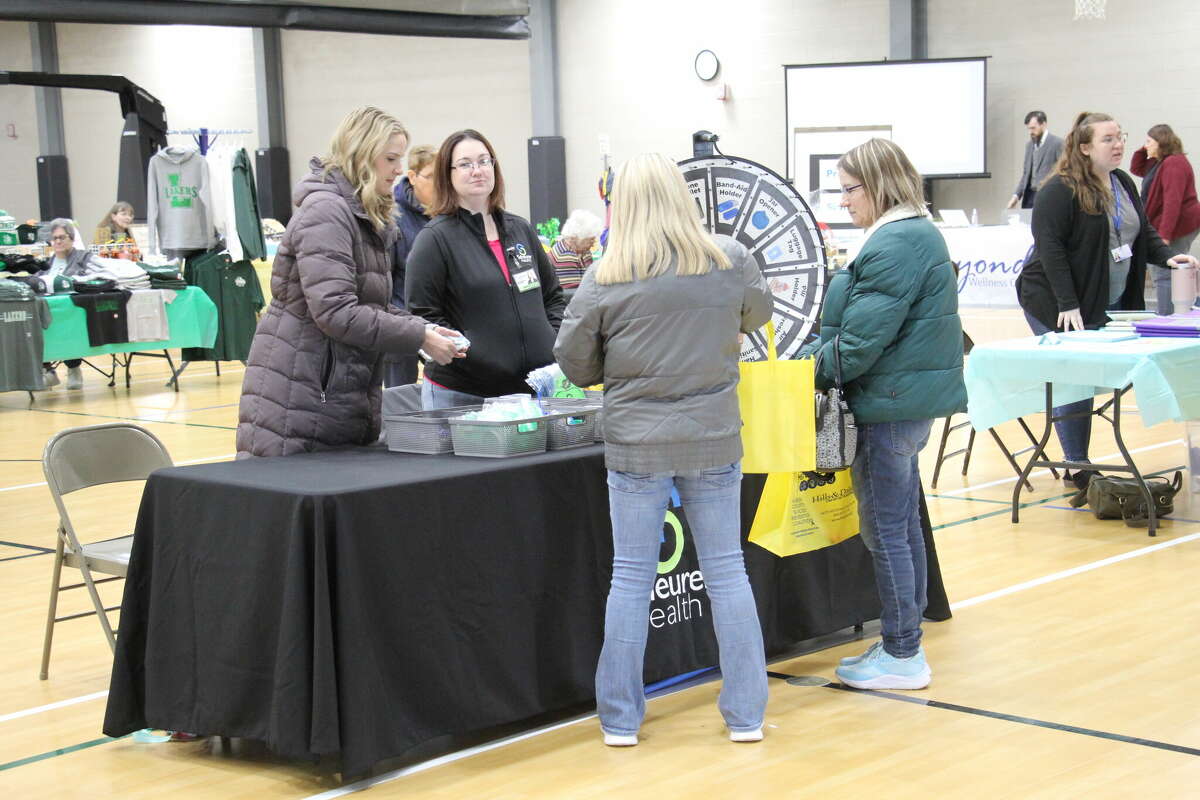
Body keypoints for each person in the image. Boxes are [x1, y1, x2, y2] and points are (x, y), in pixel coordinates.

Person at [554, 152, 772, 746]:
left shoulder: (607, 275)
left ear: (620, 204)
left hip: (634, 445)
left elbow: (573, 361)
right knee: (728, 573)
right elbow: (758, 312)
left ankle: (621, 719)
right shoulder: (730, 259)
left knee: (630, 577)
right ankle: (747, 715)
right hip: (714, 436)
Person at [802, 138, 965, 691]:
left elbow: (860, 342)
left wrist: (809, 371)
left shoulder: (893, 244)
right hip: (902, 404)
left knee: (887, 530)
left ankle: (903, 653)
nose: (844, 202)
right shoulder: (913, 234)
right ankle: (904, 636)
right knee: (902, 525)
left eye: (849, 189)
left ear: (878, 185)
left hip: (885, 406)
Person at [236, 107, 463, 458]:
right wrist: (418, 336)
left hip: (332, 397)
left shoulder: (363, 215)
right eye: (390, 159)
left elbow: (370, 306)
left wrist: (425, 329)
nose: (399, 170)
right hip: (300, 399)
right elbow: (335, 311)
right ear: (362, 154)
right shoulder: (326, 212)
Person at [1016, 112, 1200, 487]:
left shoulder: (1121, 182)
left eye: (1120, 137)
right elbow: (1050, 250)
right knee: (1074, 376)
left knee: (1090, 377)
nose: (1118, 145)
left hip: (1103, 298)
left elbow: (1142, 231)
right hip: (1053, 298)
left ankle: (1078, 459)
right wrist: (1068, 304)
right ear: (1084, 148)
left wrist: (1167, 255)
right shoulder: (1059, 190)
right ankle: (1076, 464)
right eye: (1108, 139)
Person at [406, 129, 566, 409]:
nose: (477, 170)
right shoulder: (435, 239)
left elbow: (552, 296)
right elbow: (422, 313)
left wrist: (549, 339)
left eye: (484, 161)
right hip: (463, 394)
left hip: (530, 392)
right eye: (465, 164)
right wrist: (471, 353)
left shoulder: (520, 230)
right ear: (448, 174)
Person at [1130, 124, 1200, 314]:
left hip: (1177, 225)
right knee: (1166, 272)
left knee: (1164, 272)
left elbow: (1173, 201)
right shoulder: (1159, 162)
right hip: (1164, 223)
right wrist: (1144, 149)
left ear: (1161, 143)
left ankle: (1167, 317)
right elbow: (1136, 168)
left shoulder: (1174, 163)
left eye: (1149, 142)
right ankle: (1172, 313)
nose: (1146, 146)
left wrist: (1165, 236)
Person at [384, 144, 437, 388]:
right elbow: (384, 279)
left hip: (437, 322)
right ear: (413, 176)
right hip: (400, 324)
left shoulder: (446, 213)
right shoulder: (392, 217)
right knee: (400, 400)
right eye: (431, 177)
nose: (439, 184)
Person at [38, 218, 98, 390]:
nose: (57, 241)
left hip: (72, 308)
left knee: (67, 324)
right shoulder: (46, 263)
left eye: (62, 237)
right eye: (54, 238)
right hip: (47, 307)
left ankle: (73, 368)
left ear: (71, 238)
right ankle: (47, 370)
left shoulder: (82, 258)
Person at [1008, 111, 1065, 210]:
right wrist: (1016, 196)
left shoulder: (1057, 144)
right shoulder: (1029, 146)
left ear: (1043, 124)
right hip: (1029, 197)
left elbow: (1064, 171)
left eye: (1033, 128)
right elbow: (1026, 175)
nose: (1030, 132)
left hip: (1048, 198)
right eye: (1029, 129)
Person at [548, 208, 603, 292]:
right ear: (578, 237)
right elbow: (572, 294)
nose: (593, 243)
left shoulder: (584, 252)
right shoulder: (565, 256)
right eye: (591, 240)